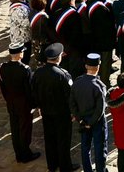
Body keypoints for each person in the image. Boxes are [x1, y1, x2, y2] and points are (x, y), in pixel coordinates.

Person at [31, 42, 75, 172]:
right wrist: (73, 112)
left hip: (46, 111)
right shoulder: (63, 75)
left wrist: (39, 106)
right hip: (62, 113)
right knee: (63, 140)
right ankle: (65, 166)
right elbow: (70, 96)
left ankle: (52, 164)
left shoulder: (38, 73)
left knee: (49, 138)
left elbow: (34, 91)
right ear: (59, 57)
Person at [0, 42, 40, 163]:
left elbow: (3, 88)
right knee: (25, 129)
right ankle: (25, 154)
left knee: (15, 128)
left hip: (11, 103)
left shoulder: (2, 67)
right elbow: (29, 91)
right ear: (20, 54)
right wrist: (34, 105)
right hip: (24, 105)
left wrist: (8, 99)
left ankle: (18, 153)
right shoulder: (25, 70)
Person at [71, 53, 109, 172]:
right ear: (98, 67)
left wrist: (81, 120)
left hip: (83, 119)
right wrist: (91, 123)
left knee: (85, 147)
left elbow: (72, 104)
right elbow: (100, 109)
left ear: (86, 66)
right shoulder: (99, 86)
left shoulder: (77, 82)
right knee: (99, 148)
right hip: (97, 122)